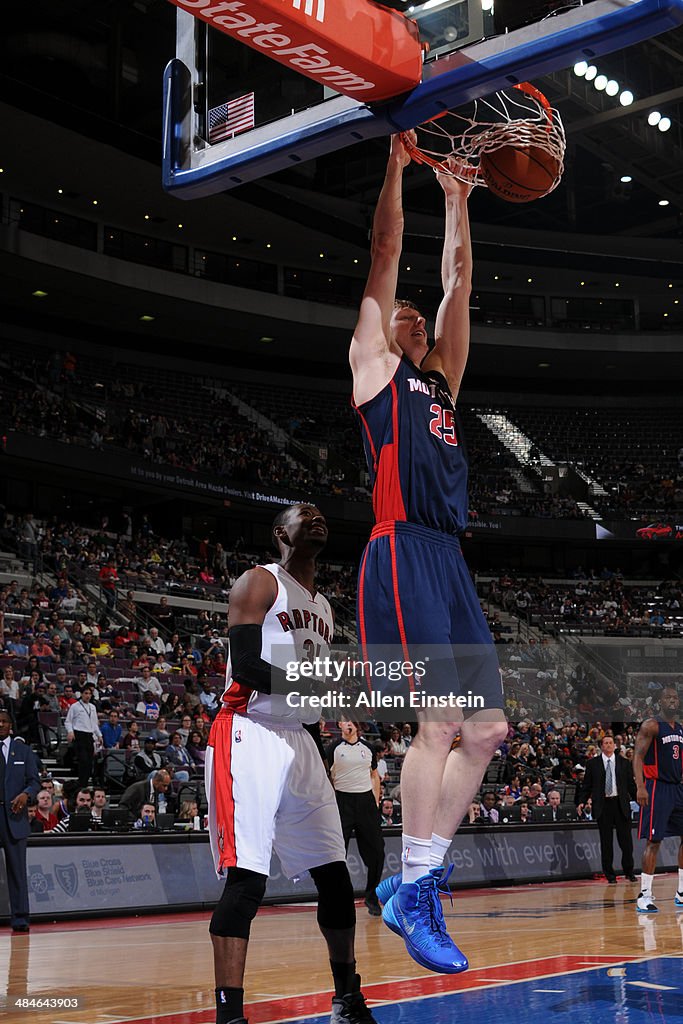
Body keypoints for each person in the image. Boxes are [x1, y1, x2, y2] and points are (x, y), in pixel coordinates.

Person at [350, 136, 507, 973]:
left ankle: (417, 882)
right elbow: (384, 253)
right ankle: (414, 885)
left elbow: (458, 282)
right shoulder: (373, 370)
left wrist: (458, 195)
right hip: (399, 548)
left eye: (417, 313)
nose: (412, 311)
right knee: (439, 722)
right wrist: (397, 168)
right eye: (400, 311)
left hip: (447, 557)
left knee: (485, 731)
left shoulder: (442, 379)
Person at [206, 503, 377, 1024]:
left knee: (334, 877)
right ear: (283, 532)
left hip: (299, 739)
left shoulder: (323, 606)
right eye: (306, 514)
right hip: (249, 731)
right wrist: (310, 684)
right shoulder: (259, 582)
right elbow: (249, 664)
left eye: (324, 513)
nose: (318, 517)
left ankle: (348, 995)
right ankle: (229, 1015)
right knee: (246, 882)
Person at [326, 719, 385, 916]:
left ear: (357, 725)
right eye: (345, 721)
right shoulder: (333, 747)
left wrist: (375, 801)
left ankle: (371, 896)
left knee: (377, 853)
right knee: (336, 854)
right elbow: (326, 776)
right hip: (342, 802)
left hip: (366, 803)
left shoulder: (368, 747)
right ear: (340, 725)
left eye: (352, 721)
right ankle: (337, 898)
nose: (349, 724)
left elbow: (374, 774)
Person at [633, 685, 683, 912]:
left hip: (677, 788)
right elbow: (638, 757)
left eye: (675, 698)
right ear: (660, 701)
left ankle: (681, 892)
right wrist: (641, 786)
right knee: (654, 841)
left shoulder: (680, 729)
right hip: (656, 788)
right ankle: (645, 895)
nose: (673, 701)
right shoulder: (651, 725)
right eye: (668, 698)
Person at [0, 710, 41, 931]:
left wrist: (26, 794)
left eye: (4, 721)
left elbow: (35, 781)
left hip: (15, 818)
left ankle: (20, 917)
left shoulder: (23, 751)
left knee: (17, 871)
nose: (0, 724)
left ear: (10, 726)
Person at [577, 735, 636, 885]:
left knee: (626, 843)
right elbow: (587, 786)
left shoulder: (624, 763)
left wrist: (640, 799)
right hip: (603, 805)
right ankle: (610, 875)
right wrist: (581, 802)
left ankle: (629, 871)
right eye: (606, 743)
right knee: (606, 843)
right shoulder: (592, 764)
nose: (609, 745)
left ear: (615, 746)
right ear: (601, 746)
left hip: (620, 804)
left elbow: (631, 785)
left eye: (611, 743)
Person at [64, 685, 103, 786]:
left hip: (89, 736)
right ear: (81, 694)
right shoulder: (75, 706)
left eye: (90, 694)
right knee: (83, 760)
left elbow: (94, 723)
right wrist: (70, 732)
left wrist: (99, 735)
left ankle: (84, 783)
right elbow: (68, 721)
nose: (88, 696)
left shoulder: (92, 707)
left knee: (90, 763)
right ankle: (81, 784)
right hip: (79, 735)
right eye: (86, 693)